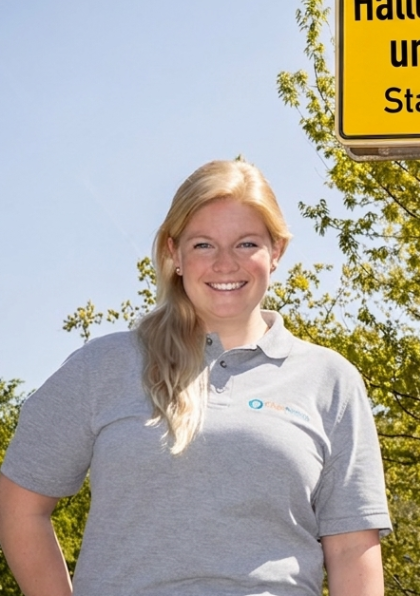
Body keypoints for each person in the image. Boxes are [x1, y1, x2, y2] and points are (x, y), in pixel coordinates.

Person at [0, 160, 391, 596]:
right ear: (175, 254)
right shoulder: (101, 366)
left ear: (276, 251)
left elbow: (352, 548)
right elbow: (18, 507)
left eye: (246, 243)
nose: (225, 264)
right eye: (204, 245)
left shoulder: (330, 379)